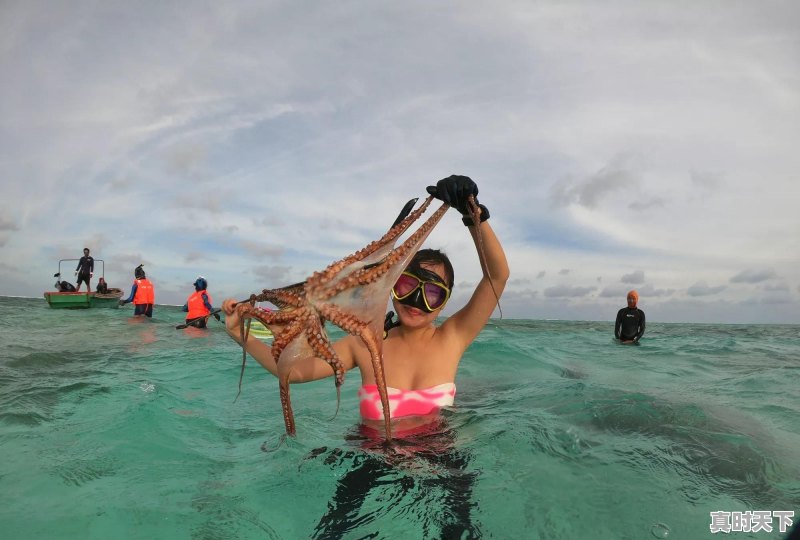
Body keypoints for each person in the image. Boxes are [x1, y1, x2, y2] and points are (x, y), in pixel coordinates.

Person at [222, 175, 509, 537]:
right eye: (407, 286)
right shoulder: (364, 343)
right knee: (331, 532)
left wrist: (473, 214)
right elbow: (293, 373)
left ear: (445, 302)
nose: (417, 303)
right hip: (370, 455)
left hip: (441, 458)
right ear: (391, 286)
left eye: (432, 294)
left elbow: (497, 276)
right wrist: (237, 331)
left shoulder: (452, 337)